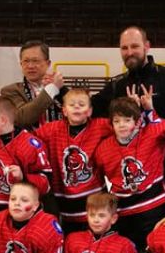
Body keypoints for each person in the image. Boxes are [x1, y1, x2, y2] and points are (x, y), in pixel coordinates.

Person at [93, 96, 165, 250]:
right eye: (117, 121)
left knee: (157, 252)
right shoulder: (103, 149)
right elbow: (99, 178)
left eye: (127, 120)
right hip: (125, 214)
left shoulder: (152, 134)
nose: (121, 125)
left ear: (137, 122)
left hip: (155, 208)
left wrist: (150, 111)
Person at [33, 87, 112, 233]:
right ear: (64, 110)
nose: (76, 107)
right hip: (63, 201)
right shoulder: (51, 129)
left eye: (81, 105)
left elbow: (125, 126)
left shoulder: (100, 126)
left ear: (89, 111)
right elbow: (28, 140)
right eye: (72, 104)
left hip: (94, 199)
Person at [91, 26, 165, 123]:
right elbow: (87, 108)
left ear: (147, 46)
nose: (129, 52)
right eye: (124, 48)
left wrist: (158, 123)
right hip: (127, 142)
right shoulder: (116, 85)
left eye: (135, 46)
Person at [1, 40, 67, 127]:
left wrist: (61, 89)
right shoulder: (10, 91)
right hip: (27, 140)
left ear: (48, 63)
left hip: (60, 139)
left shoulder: (59, 88)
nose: (30, 66)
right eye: (26, 61)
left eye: (35, 61)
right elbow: (23, 118)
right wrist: (52, 89)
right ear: (21, 64)